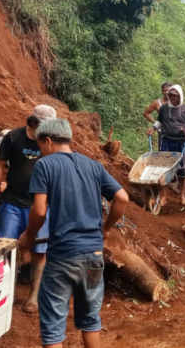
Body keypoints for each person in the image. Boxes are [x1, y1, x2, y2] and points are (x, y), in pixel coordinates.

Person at [20, 119, 129, 348]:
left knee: (53, 327)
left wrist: (28, 235)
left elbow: (39, 211)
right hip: (94, 256)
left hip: (63, 256)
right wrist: (105, 229)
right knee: (90, 320)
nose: (41, 152)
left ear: (48, 141)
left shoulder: (45, 165)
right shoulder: (93, 166)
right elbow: (122, 198)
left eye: (40, 146)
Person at [0, 104, 57, 314]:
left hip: (39, 205)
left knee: (39, 250)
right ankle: (5, 290)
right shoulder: (13, 137)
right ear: (33, 123)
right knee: (4, 247)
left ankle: (34, 295)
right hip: (12, 203)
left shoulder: (50, 142)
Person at [147, 84, 185, 206]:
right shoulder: (164, 108)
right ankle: (163, 197)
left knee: (182, 170)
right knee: (164, 168)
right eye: (170, 95)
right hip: (166, 141)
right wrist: (153, 128)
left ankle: (182, 196)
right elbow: (159, 121)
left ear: (180, 96)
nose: (172, 97)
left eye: (175, 95)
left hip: (181, 143)